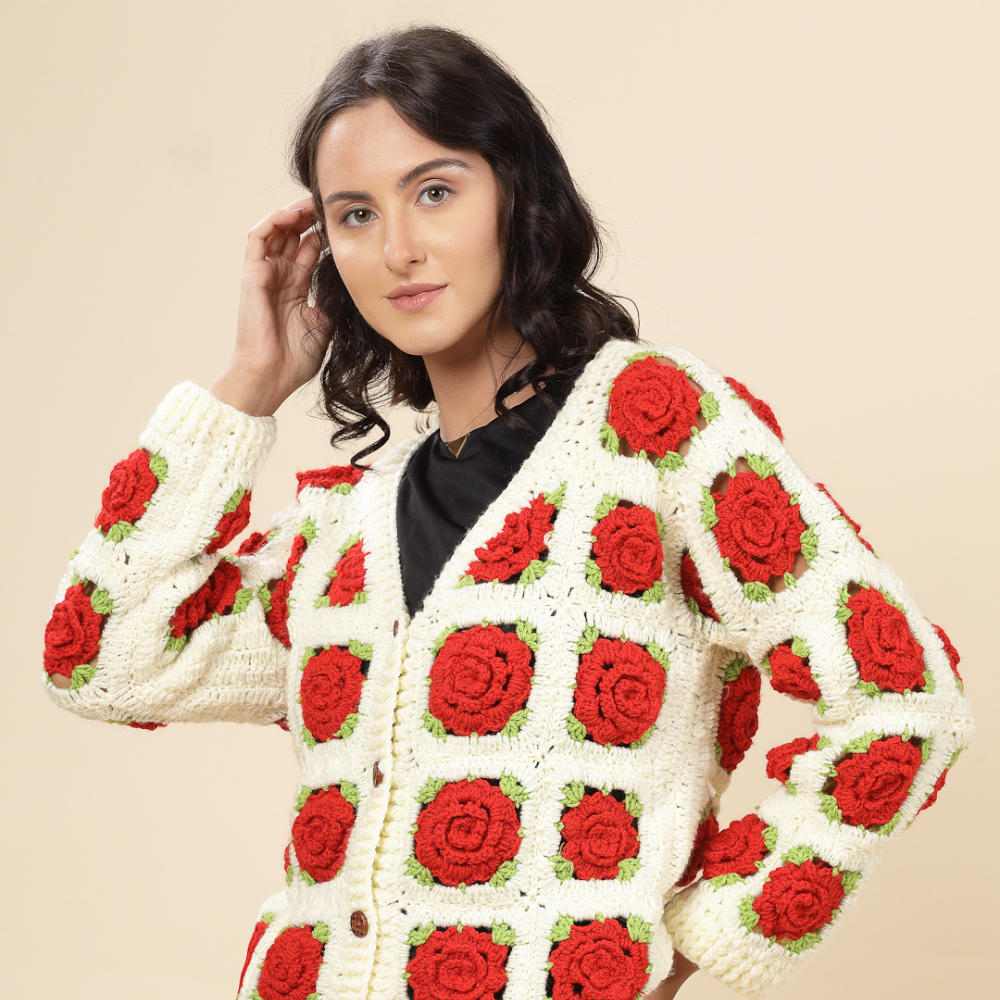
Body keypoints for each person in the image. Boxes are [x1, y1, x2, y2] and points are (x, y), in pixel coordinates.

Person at [40, 23, 973, 1000]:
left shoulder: (653, 431)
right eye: (354, 215)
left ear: (516, 195)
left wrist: (688, 950)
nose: (397, 247)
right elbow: (99, 658)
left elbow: (901, 700)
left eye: (434, 191)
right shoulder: (341, 528)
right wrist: (247, 384)